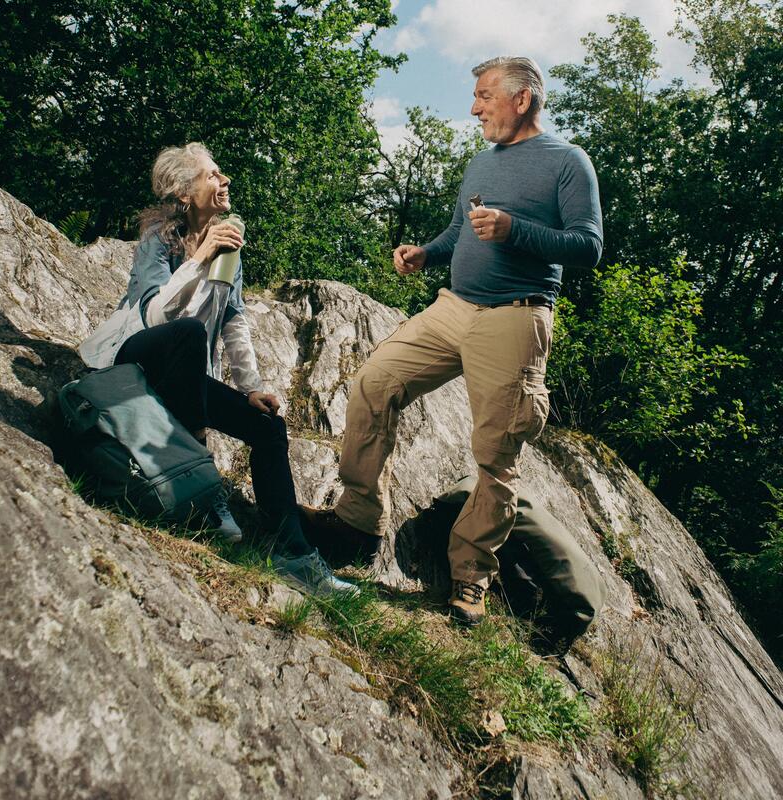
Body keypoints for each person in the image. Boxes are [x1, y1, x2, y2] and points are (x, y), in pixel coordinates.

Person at [301, 57, 603, 624]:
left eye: (484, 95)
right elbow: (462, 229)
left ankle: (470, 577)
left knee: (495, 456)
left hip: (515, 318)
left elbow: (587, 247)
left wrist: (517, 231)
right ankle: (356, 521)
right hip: (453, 308)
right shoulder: (481, 161)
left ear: (522, 99)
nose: (473, 107)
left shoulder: (568, 162)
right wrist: (426, 252)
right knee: (373, 383)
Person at [78, 142, 356, 597]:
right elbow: (155, 318)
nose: (224, 180)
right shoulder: (160, 241)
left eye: (221, 173)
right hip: (137, 365)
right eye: (212, 175)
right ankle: (206, 489)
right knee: (187, 334)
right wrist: (198, 258)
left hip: (184, 380)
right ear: (185, 193)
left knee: (268, 427)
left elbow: (233, 320)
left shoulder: (230, 248)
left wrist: (251, 387)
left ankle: (296, 558)